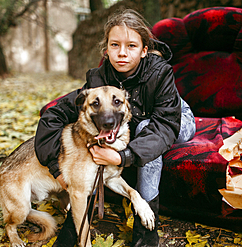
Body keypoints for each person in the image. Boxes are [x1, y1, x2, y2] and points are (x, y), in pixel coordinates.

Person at [34, 9, 196, 247]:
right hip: (143, 125)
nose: (122, 53)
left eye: (131, 46)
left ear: (144, 51)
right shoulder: (98, 80)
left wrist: (123, 156)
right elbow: (56, 112)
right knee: (101, 129)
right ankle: (76, 224)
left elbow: (164, 126)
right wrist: (55, 167)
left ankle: (146, 231)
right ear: (106, 50)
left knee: (143, 126)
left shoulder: (160, 74)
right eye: (114, 45)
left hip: (176, 120)